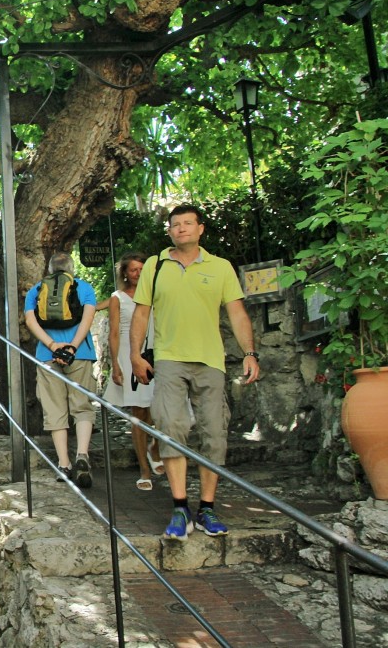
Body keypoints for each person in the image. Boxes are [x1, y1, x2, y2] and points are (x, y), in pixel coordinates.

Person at [129, 204, 260, 540]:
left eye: (188, 223)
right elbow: (141, 314)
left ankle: (207, 509)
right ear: (170, 231)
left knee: (214, 432)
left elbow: (238, 313)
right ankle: (179, 508)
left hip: (211, 360)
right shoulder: (155, 267)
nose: (182, 229)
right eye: (176, 225)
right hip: (169, 359)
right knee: (171, 427)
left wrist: (250, 353)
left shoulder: (221, 268)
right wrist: (134, 355)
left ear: (201, 229)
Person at [24, 252, 98, 488]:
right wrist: (72, 347)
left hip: (48, 356)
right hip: (80, 354)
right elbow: (88, 318)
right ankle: (82, 455)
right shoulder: (84, 287)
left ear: (49, 269)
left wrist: (53, 346)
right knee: (82, 405)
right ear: (71, 268)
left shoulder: (36, 290)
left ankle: (64, 464)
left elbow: (30, 321)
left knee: (54, 410)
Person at [103, 251, 165, 491]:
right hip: (131, 356)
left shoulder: (156, 293)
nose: (138, 273)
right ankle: (144, 469)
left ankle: (154, 448)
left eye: (142, 269)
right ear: (125, 274)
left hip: (157, 353)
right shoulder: (118, 297)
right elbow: (114, 332)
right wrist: (116, 365)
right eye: (133, 270)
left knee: (159, 408)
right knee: (139, 412)